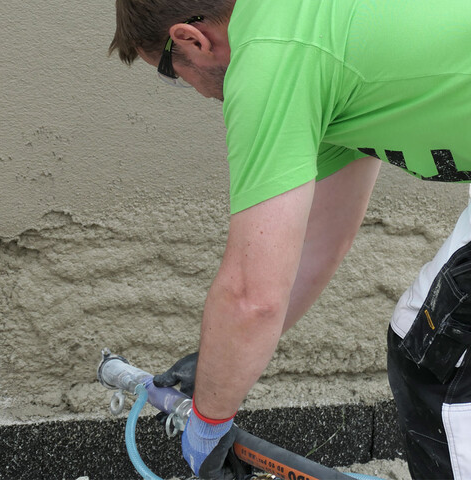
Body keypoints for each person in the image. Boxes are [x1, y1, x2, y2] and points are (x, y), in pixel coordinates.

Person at [109, 0, 471, 478]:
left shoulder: (270, 54)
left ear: (191, 40)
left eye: (170, 73)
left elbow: (251, 297)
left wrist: (208, 424)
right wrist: (217, 365)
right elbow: (320, 241)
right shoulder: (311, 27)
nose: (189, 88)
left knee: (434, 355)